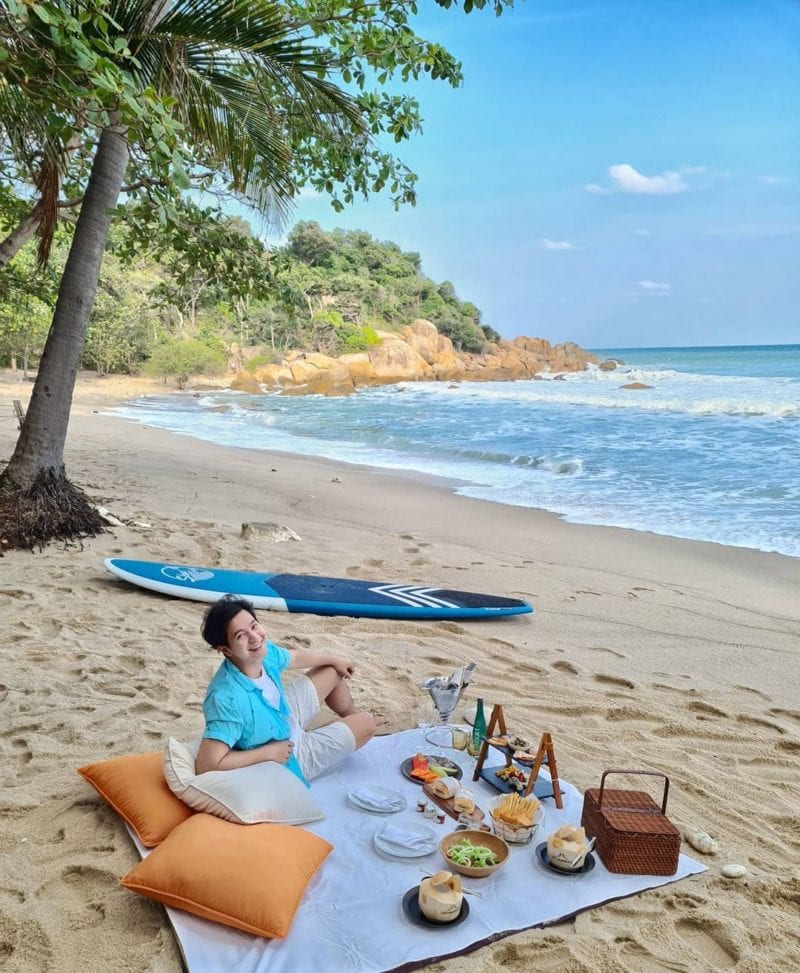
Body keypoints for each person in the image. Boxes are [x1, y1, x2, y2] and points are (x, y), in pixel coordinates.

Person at [195, 594, 376, 783]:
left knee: (332, 670)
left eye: (254, 625)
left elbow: (294, 658)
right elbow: (207, 765)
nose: (255, 637)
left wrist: (334, 660)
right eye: (241, 635)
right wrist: (267, 753)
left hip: (280, 716)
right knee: (367, 723)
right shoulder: (226, 698)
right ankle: (343, 727)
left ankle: (349, 717)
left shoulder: (262, 654)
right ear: (226, 650)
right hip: (288, 757)